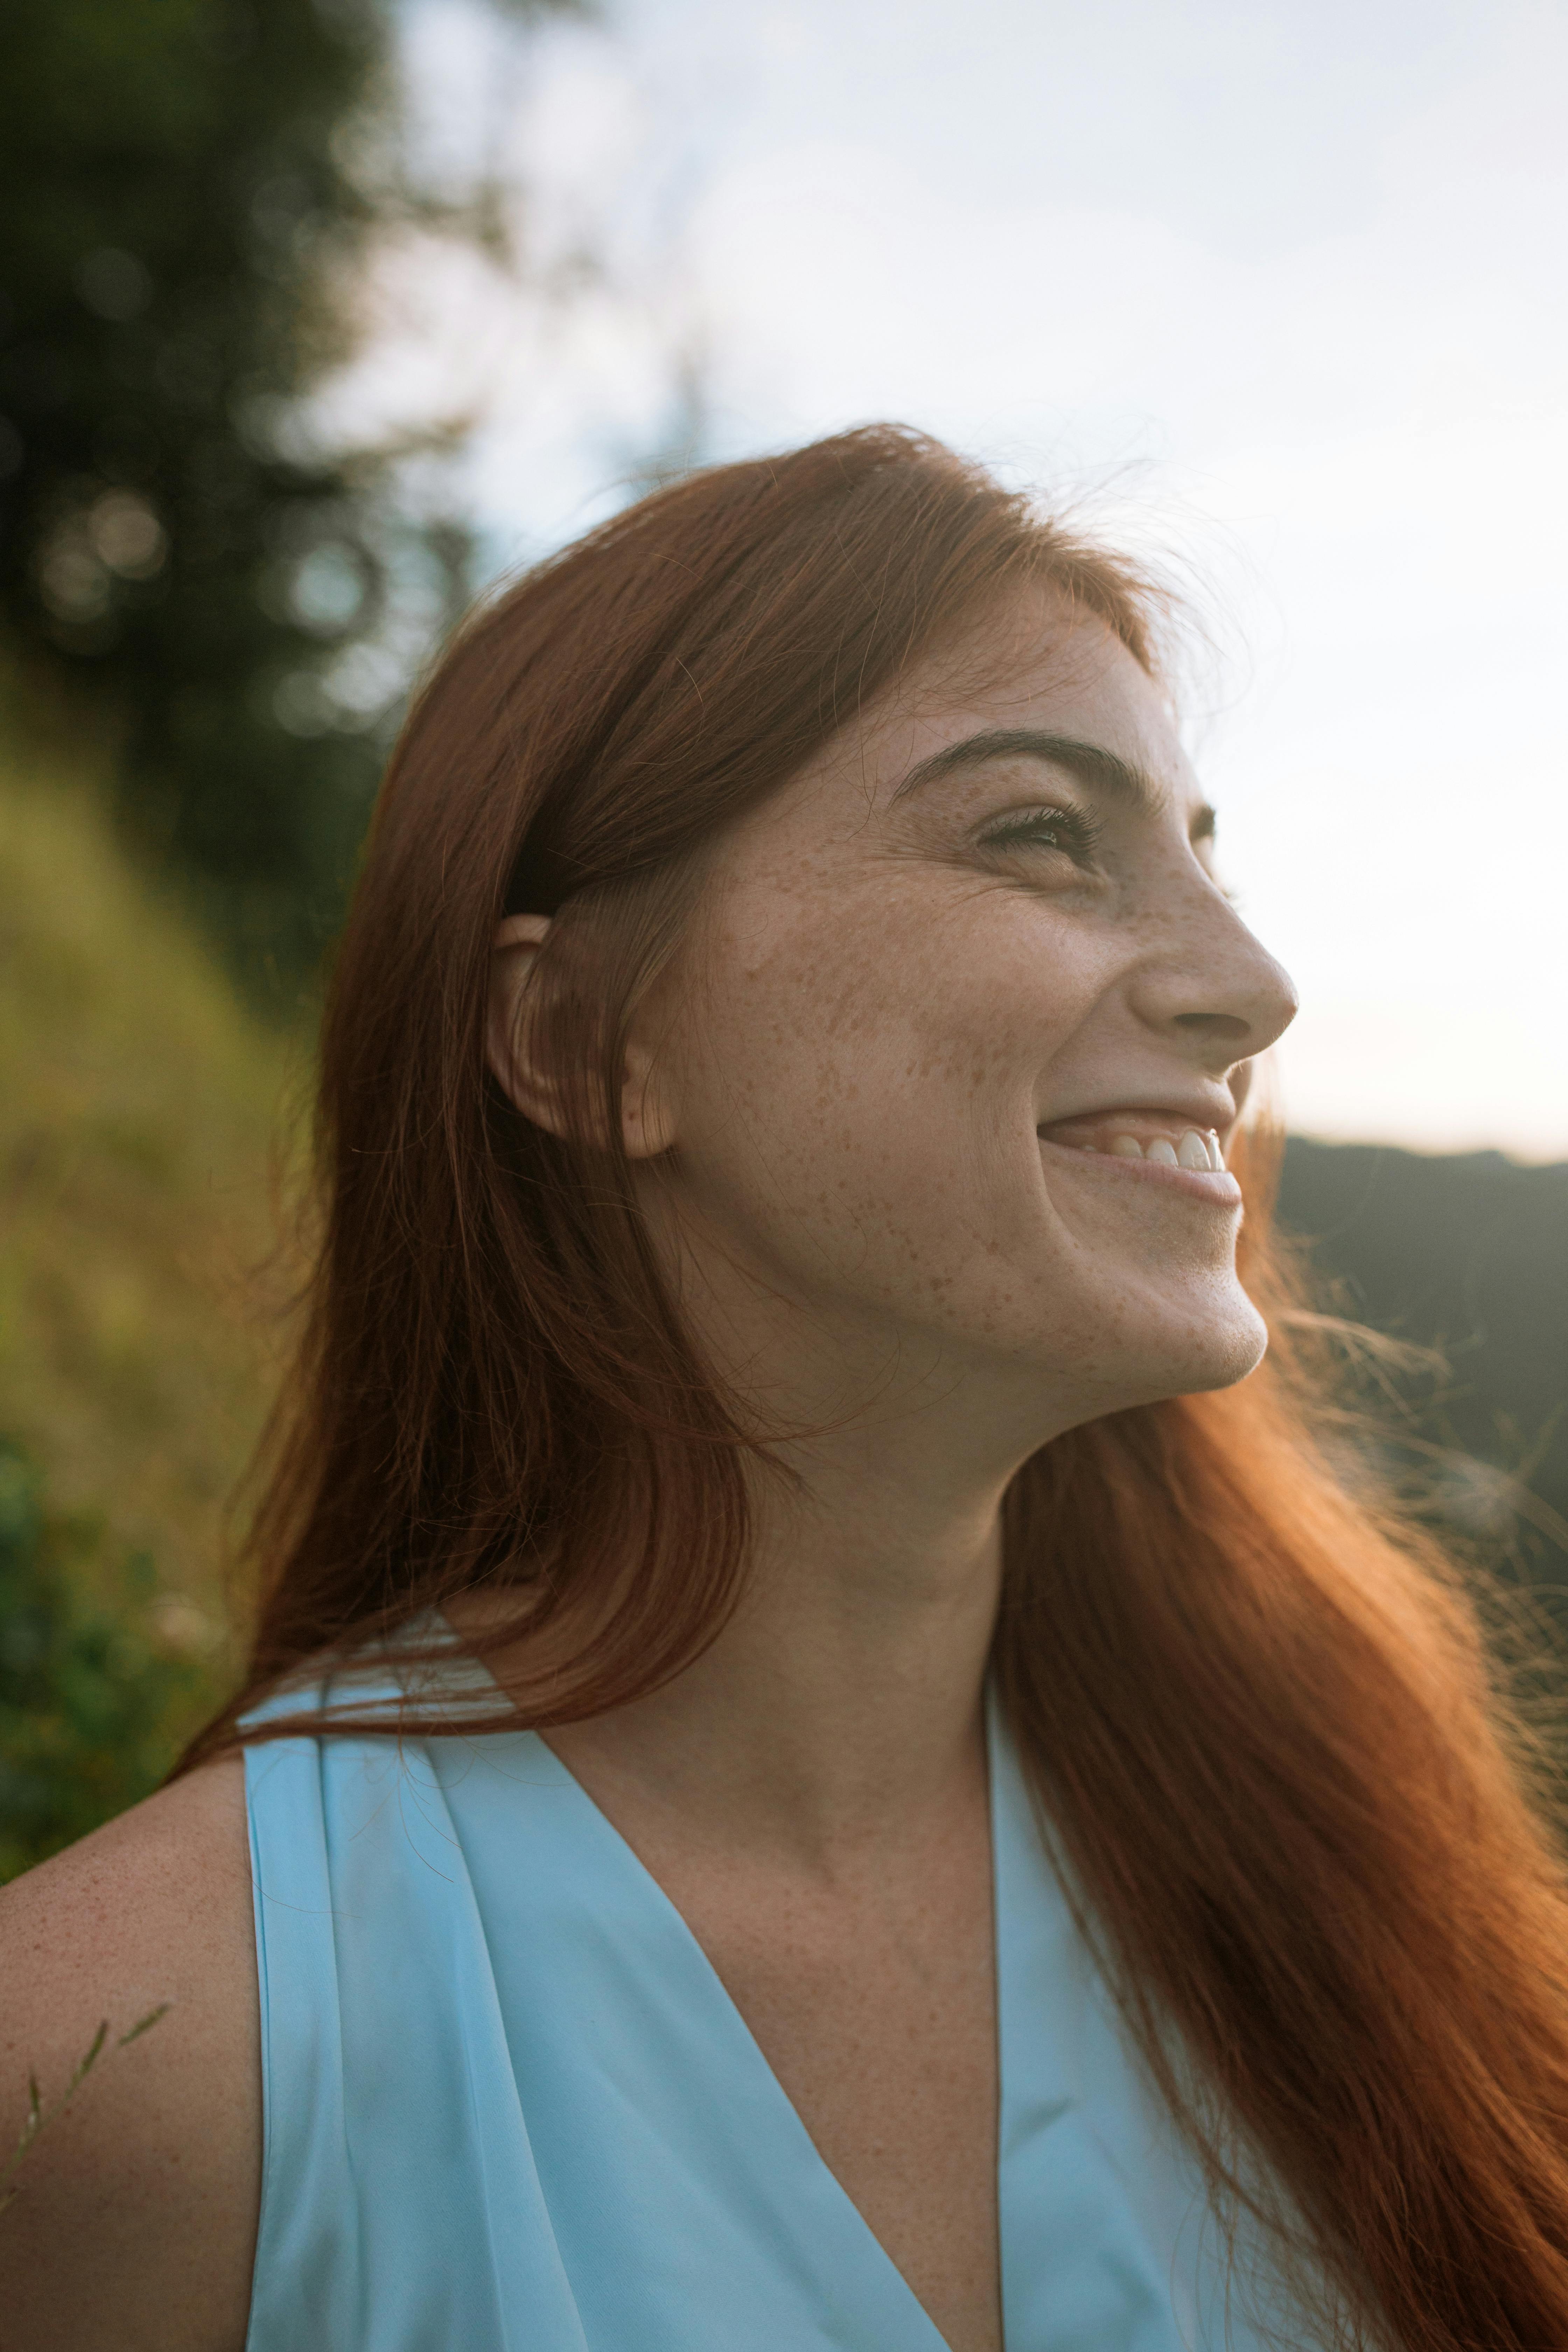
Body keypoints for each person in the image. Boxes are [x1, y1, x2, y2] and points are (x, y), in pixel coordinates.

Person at [3, 425, 1567, 2352]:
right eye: (1037, 834)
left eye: (1200, 853)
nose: (1251, 984)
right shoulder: (121, 2077)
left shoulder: (1346, 1847)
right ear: (583, 1042)